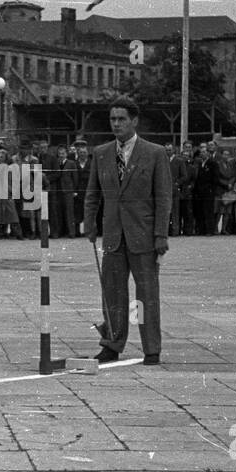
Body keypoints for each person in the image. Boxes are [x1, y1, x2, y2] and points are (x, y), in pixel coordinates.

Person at [85, 98, 171, 366]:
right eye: (113, 119)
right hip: (113, 234)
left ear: (134, 121)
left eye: (121, 119)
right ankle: (112, 344)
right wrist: (89, 223)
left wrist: (161, 235)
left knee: (145, 296)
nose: (116, 124)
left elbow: (163, 197)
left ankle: (151, 348)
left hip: (143, 235)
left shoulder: (155, 153)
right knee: (112, 293)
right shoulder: (101, 153)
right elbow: (92, 193)